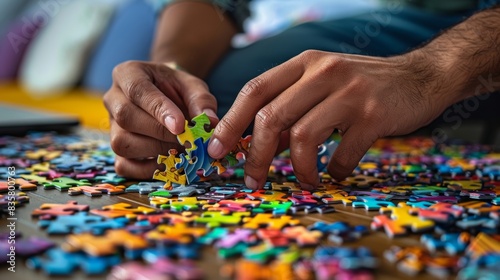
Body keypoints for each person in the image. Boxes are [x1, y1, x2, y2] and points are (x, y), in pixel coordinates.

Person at [103, 0, 500, 190]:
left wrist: (427, 72)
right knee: (227, 97)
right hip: (270, 31)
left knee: (241, 91)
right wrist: (172, 73)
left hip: (456, 19)